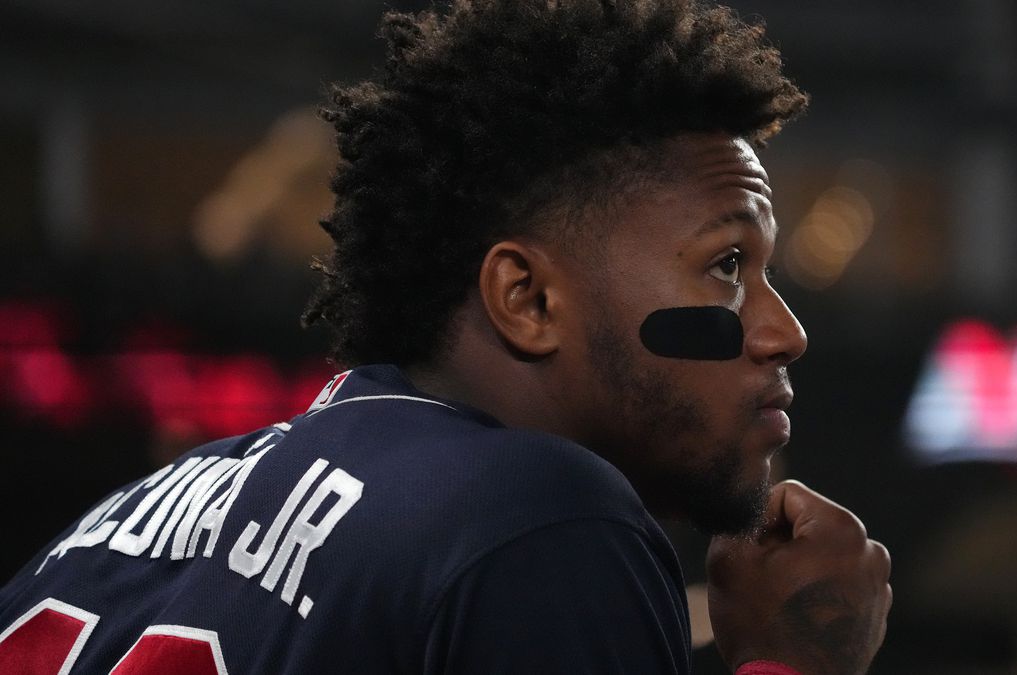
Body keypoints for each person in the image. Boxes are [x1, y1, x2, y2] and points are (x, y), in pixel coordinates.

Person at [0, 1, 891, 673]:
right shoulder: (543, 517)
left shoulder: (110, 527)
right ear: (527, 298)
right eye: (727, 265)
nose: (786, 332)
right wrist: (794, 662)